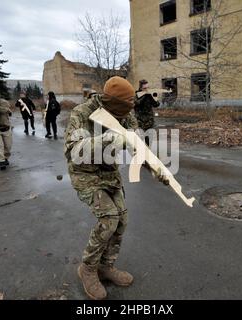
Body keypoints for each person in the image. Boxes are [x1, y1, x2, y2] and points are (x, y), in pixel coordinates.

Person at [64, 76, 169, 300]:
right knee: (108, 219)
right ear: (108, 104)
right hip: (86, 174)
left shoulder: (127, 113)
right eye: (119, 113)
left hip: (109, 172)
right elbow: (75, 151)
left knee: (122, 220)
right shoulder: (82, 113)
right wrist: (112, 137)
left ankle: (106, 266)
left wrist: (156, 168)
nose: (124, 116)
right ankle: (88, 269)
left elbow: (137, 144)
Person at [134, 80, 160, 146]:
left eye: (147, 88)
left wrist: (154, 97)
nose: (147, 89)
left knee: (149, 142)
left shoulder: (149, 95)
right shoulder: (136, 94)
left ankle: (148, 154)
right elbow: (137, 103)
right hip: (140, 122)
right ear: (140, 88)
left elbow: (156, 104)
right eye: (145, 88)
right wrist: (144, 96)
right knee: (139, 142)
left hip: (149, 121)